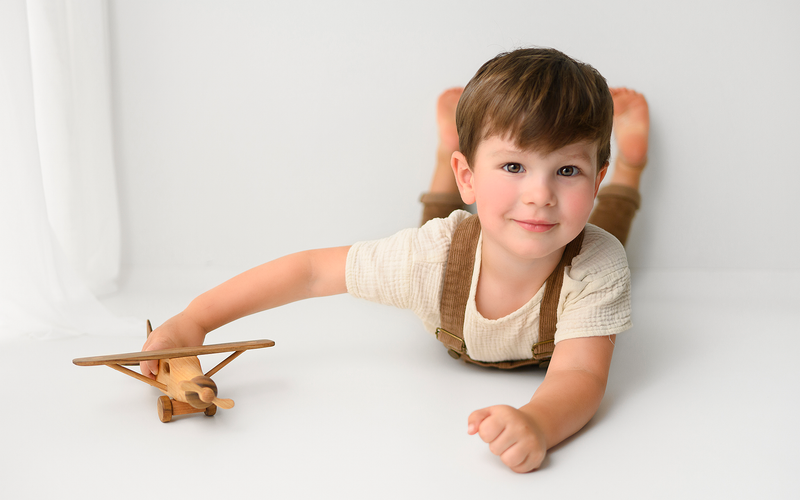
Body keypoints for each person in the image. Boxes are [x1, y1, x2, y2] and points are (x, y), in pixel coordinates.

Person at [140, 48, 649, 473]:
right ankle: (443, 156)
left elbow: (579, 377)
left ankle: (629, 169)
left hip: (581, 239)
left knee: (606, 235)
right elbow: (314, 271)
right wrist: (196, 318)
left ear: (594, 178)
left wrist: (537, 422)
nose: (540, 194)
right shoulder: (431, 257)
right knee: (443, 221)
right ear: (468, 176)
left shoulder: (596, 267)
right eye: (513, 165)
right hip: (454, 235)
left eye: (567, 170)